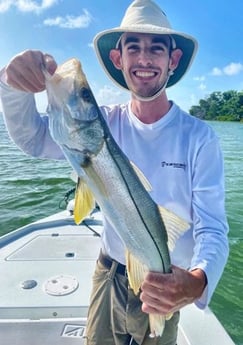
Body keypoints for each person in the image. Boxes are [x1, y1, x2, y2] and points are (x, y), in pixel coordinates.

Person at [0, 0, 229, 344]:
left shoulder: (200, 137)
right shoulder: (103, 122)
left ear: (173, 60)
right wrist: (11, 85)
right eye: (133, 46)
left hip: (167, 283)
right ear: (119, 59)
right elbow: (32, 138)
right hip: (108, 274)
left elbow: (212, 228)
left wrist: (197, 281)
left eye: (156, 48)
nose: (144, 58)